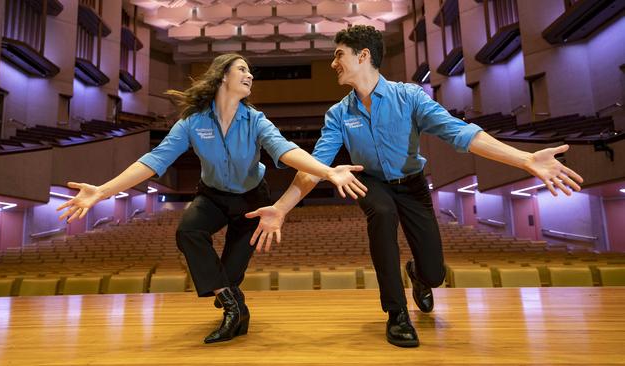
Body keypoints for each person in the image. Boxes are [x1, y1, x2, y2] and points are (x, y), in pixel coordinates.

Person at [245, 26, 584, 348]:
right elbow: (315, 169)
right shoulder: (338, 114)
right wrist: (282, 208)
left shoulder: (408, 97)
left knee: (435, 274)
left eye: (338, 55)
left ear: (363, 56)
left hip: (412, 185)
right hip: (372, 183)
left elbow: (461, 133)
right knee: (381, 211)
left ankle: (419, 275)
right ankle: (396, 313)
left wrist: (525, 160)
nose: (333, 63)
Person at [56, 53, 367, 344]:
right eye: (242, 69)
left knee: (229, 276)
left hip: (252, 201)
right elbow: (153, 161)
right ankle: (235, 309)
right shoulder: (193, 122)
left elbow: (287, 151)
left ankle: (234, 307)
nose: (250, 75)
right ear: (222, 78)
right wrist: (102, 191)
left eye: (250, 71)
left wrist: (328, 173)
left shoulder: (255, 120)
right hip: (213, 196)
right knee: (188, 231)